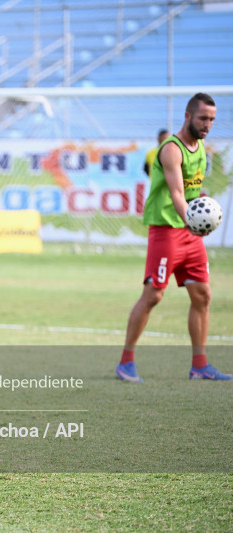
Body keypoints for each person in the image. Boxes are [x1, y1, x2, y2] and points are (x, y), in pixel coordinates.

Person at [116, 93, 230, 382]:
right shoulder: (171, 149)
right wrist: (192, 220)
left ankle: (200, 365)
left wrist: (199, 217)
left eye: (212, 120)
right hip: (167, 231)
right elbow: (178, 194)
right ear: (188, 116)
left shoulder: (202, 147)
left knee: (202, 295)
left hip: (190, 233)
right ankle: (125, 362)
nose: (207, 124)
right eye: (203, 118)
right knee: (153, 294)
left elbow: (192, 192)